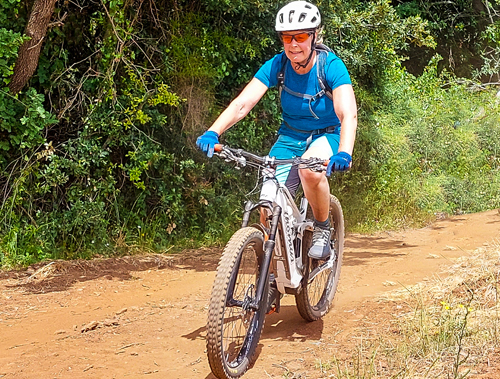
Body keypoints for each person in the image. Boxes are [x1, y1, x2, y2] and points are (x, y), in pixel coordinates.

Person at [196, 1, 357, 260]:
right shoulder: (277, 65)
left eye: (301, 36)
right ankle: (269, 285)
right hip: (290, 136)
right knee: (267, 206)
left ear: (315, 37)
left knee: (308, 169)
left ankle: (322, 227)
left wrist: (344, 152)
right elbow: (242, 103)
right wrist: (213, 132)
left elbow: (347, 113)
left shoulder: (331, 66)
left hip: (327, 134)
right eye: (286, 37)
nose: (293, 44)